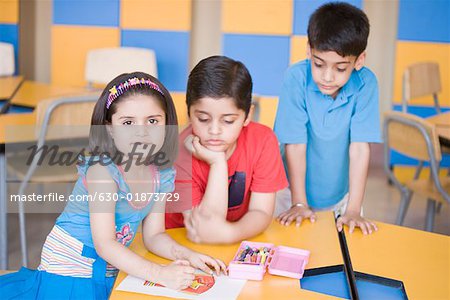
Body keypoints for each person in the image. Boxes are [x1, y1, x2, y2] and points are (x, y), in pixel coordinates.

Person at [0, 72, 226, 299]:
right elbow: (105, 244)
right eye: (128, 122)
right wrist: (160, 274)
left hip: (108, 268)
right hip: (69, 270)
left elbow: (154, 235)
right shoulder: (103, 171)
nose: (142, 131)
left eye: (153, 121)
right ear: (109, 128)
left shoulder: (162, 173)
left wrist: (188, 255)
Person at [274, 2, 381, 234]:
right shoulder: (296, 78)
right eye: (319, 64)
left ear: (359, 60)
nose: (327, 77)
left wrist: (353, 208)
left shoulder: (366, 84)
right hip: (290, 192)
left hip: (341, 196)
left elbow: (360, 148)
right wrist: (299, 203)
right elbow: (295, 145)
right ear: (309, 51)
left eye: (341, 69)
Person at [165, 56, 288, 244]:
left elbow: (261, 212)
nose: (214, 131)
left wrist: (231, 234)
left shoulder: (263, 140)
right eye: (203, 119)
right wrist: (218, 163)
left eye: (228, 121)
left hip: (233, 240)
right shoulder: (178, 155)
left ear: (247, 115)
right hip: (181, 242)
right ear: (189, 113)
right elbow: (205, 228)